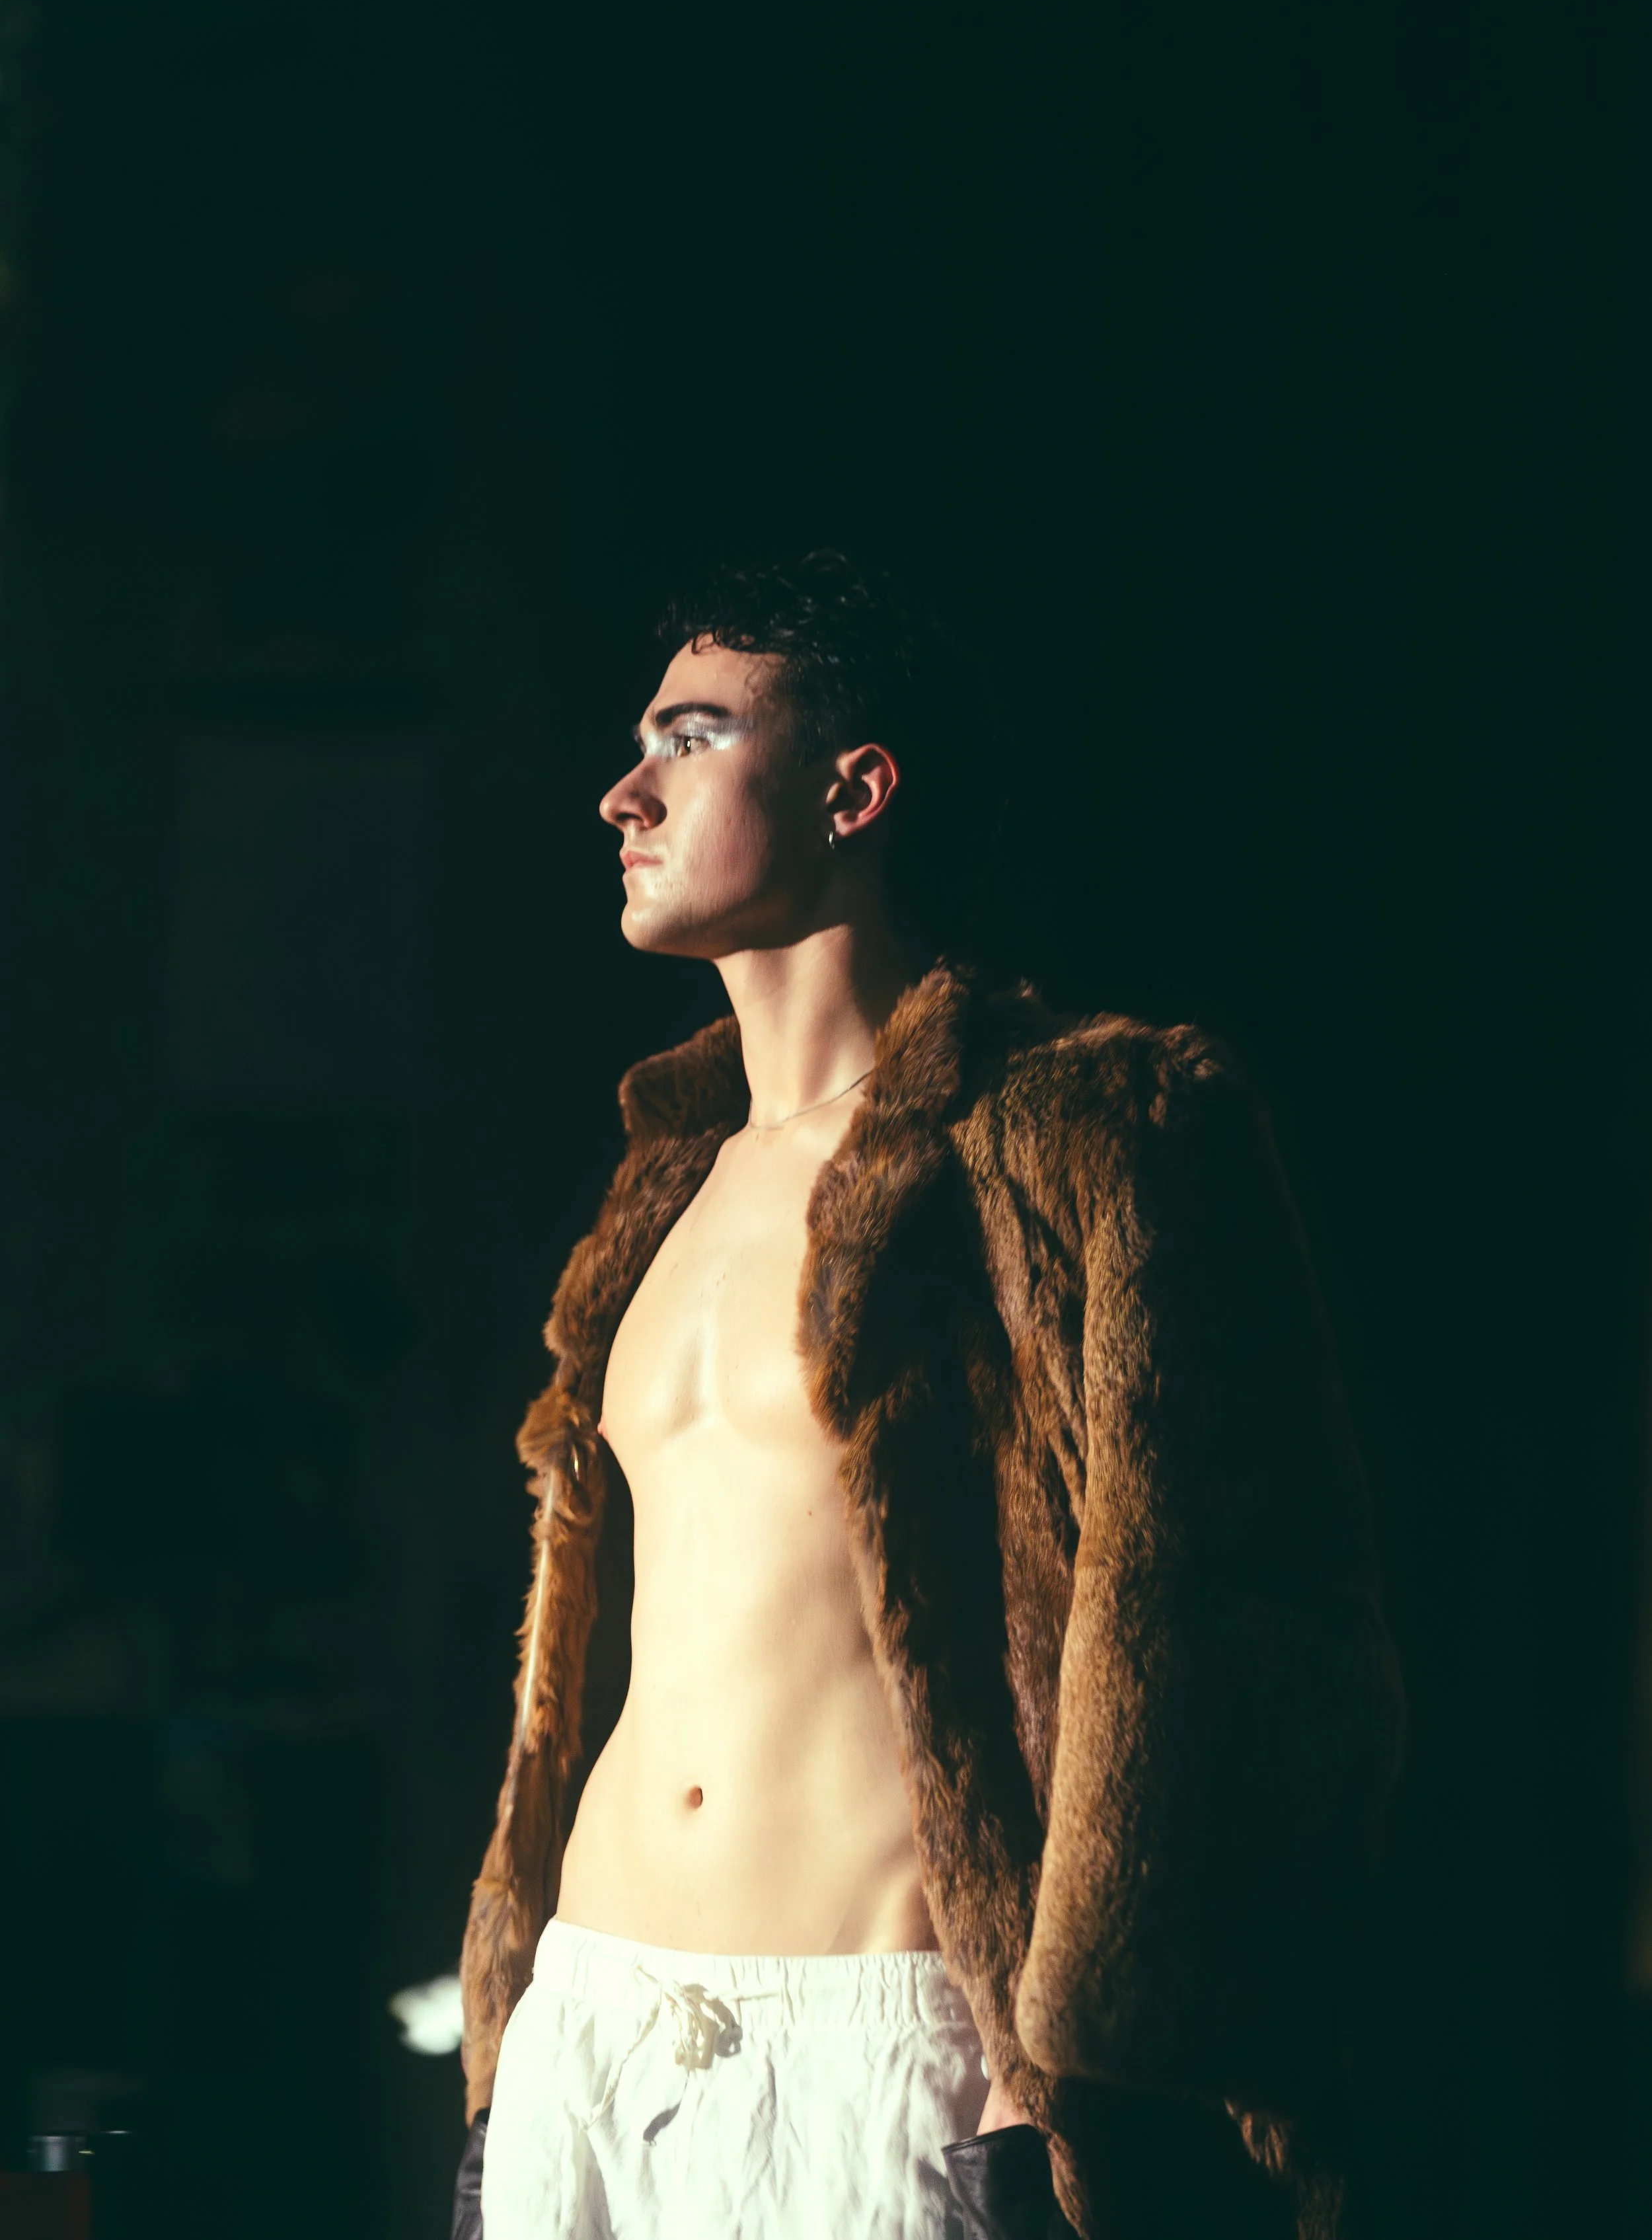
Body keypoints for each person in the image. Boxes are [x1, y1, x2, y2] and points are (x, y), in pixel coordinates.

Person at [451, 552, 1405, 2240]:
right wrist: (512, 2017)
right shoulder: (660, 1185)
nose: (623, 792)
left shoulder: (1079, 1126)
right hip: (588, 2026)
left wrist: (1057, 2069)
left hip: (881, 2039)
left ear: (851, 788)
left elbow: (1229, 1608)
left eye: (688, 738)